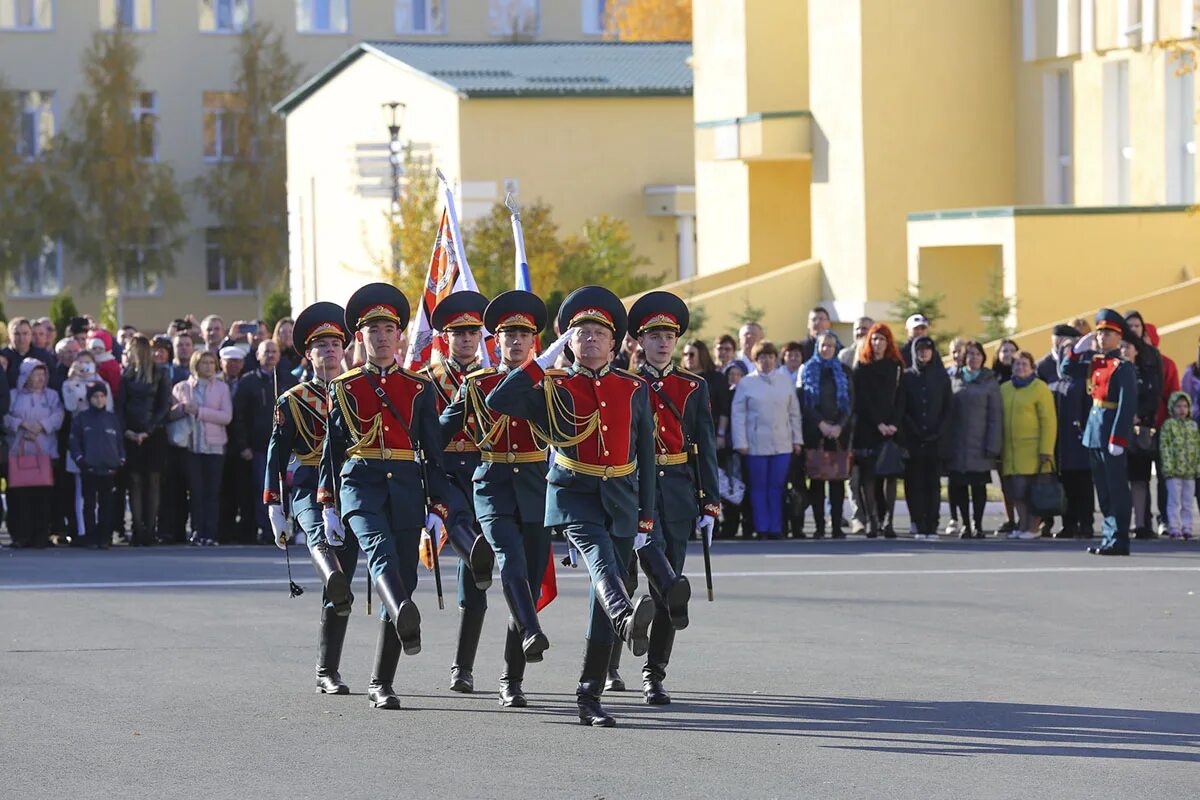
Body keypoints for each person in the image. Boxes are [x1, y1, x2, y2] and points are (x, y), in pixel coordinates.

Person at [486, 285, 658, 728]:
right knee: (602, 563)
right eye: (581, 332)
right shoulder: (551, 384)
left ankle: (589, 696)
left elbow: (647, 456)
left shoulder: (634, 388)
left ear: (615, 342)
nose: (591, 339)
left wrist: (646, 514)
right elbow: (498, 400)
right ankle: (626, 615)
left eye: (600, 332)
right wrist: (539, 363)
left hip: (621, 496)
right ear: (569, 341)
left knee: (604, 595)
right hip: (572, 493)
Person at [319, 283, 459, 710]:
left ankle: (382, 681)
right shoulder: (343, 387)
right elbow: (331, 447)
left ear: (399, 336)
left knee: (404, 573)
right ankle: (401, 610)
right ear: (360, 337)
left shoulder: (419, 388)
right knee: (378, 552)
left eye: (388, 329)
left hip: (404, 483)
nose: (381, 337)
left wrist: (438, 508)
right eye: (372, 330)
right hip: (360, 480)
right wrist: (327, 503)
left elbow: (434, 455)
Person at [440, 290, 554, 708]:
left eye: (524, 335)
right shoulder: (477, 384)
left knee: (525, 576)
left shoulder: (550, 385)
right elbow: (439, 433)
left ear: (534, 342)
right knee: (510, 562)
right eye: (508, 335)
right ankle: (529, 629)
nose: (516, 342)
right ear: (497, 341)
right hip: (490, 484)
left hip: (537, 487)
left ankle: (512, 678)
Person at [627, 291, 718, 706]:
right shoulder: (624, 384)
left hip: (678, 491)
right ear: (639, 341)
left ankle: (654, 674)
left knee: (669, 588)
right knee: (628, 581)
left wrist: (710, 503)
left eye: (669, 335)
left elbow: (705, 446)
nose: (663, 342)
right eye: (655, 335)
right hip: (632, 493)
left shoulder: (692, 386)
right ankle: (611, 659)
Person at [265, 302, 359, 695]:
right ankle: (329, 570)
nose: (330, 351)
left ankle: (327, 669)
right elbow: (275, 451)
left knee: (341, 590)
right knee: (324, 548)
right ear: (308, 353)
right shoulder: (292, 399)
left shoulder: (359, 391)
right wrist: (273, 504)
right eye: (321, 345)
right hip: (306, 485)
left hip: (354, 486)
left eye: (335, 343)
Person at [419, 291, 498, 694]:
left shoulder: (494, 377)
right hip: (444, 470)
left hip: (483, 469)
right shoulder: (428, 380)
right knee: (465, 527)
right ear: (444, 337)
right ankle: (473, 548)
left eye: (473, 332)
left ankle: (462, 668)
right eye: (458, 333)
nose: (466, 340)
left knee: (476, 581)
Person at [1063, 310, 1137, 556]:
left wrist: (1118, 437)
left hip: (1110, 433)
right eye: (1100, 333)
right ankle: (1108, 537)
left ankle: (1119, 539)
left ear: (1118, 337)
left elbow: (1126, 405)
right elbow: (1066, 370)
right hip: (1094, 432)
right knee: (1103, 490)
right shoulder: (1095, 362)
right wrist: (1076, 351)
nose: (1102, 337)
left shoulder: (1122, 367)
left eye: (1108, 333)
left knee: (1116, 488)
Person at [731, 340, 804, 540]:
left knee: (777, 486)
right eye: (762, 357)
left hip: (782, 443)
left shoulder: (784, 381)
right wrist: (741, 443)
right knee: (758, 487)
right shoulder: (746, 383)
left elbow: (794, 413)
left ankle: (776, 527)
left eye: (771, 357)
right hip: (755, 444)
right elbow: (738, 415)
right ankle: (762, 527)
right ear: (755, 360)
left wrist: (797, 440)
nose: (767, 361)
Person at [231, 339, 297, 543]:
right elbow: (238, 417)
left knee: (288, 490)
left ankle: (287, 529)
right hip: (259, 447)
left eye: (274, 351)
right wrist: (243, 445)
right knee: (265, 489)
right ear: (258, 355)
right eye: (266, 352)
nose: (270, 355)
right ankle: (267, 531)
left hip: (288, 448)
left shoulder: (290, 380)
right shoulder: (247, 381)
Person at [169, 350, 232, 547]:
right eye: (204, 363)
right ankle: (197, 531)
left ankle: (210, 533)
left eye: (211, 363)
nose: (208, 366)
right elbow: (170, 415)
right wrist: (182, 408)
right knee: (195, 491)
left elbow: (226, 417)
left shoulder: (222, 388)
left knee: (212, 492)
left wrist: (200, 412)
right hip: (190, 446)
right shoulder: (181, 387)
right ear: (196, 364)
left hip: (214, 447)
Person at [117, 335, 172, 547]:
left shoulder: (159, 373)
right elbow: (120, 406)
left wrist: (145, 431)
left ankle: (148, 529)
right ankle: (140, 529)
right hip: (134, 434)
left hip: (152, 434)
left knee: (150, 483)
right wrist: (128, 431)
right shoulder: (127, 375)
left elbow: (163, 406)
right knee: (137, 483)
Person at [944, 340, 1002, 538]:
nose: (973, 358)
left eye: (977, 354)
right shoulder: (954, 378)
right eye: (970, 354)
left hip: (981, 443)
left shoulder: (989, 380)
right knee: (959, 485)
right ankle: (965, 524)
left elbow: (996, 416)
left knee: (978, 486)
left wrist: (993, 444)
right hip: (957, 443)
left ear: (983, 357)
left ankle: (978, 523)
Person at [852, 323, 906, 538]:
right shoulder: (861, 368)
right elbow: (862, 400)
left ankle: (889, 521)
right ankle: (872, 519)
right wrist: (878, 424)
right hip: (868, 428)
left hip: (893, 428)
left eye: (882, 339)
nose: (878, 343)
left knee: (891, 475)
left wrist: (893, 423)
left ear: (888, 342)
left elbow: (901, 398)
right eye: (874, 339)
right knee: (869, 476)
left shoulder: (897, 366)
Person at [3, 360, 64, 548]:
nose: (40, 378)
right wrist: (21, 424)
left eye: (42, 374)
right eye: (35, 374)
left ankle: (41, 536)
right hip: (18, 454)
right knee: (20, 498)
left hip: (44, 454)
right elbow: (4, 416)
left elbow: (58, 415)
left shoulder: (52, 396)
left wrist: (41, 426)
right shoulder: (12, 395)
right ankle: (21, 536)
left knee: (42, 498)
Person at [799, 331, 853, 538]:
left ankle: (837, 525)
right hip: (816, 433)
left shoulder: (844, 371)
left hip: (838, 434)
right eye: (823, 346)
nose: (826, 349)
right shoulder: (809, 369)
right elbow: (805, 402)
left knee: (837, 482)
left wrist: (839, 425)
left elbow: (850, 403)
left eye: (830, 345)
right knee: (817, 481)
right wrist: (820, 424)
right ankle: (820, 526)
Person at [999, 351, 1057, 539]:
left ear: (1032, 367)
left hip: (1033, 450)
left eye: (1024, 364)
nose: (1020, 367)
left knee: (1032, 491)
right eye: (1017, 364)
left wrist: (1046, 449)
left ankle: (1033, 527)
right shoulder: (1005, 388)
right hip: (1011, 450)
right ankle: (1022, 525)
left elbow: (1048, 420)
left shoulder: (1040, 388)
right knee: (1016, 492)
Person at [902, 336, 952, 539]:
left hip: (935, 440)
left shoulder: (941, 377)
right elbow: (902, 408)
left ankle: (932, 524)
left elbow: (948, 408)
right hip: (914, 439)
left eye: (927, 350)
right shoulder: (907, 377)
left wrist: (938, 431)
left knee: (932, 484)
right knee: (914, 483)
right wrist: (913, 430)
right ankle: (918, 522)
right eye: (920, 350)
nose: (923, 353)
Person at [68, 382, 124, 549]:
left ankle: (105, 536)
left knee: (107, 504)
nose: (99, 400)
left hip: (109, 468)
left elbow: (119, 442)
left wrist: (121, 460)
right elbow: (74, 442)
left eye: (102, 396)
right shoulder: (81, 419)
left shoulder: (112, 418)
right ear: (89, 399)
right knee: (89, 504)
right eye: (95, 396)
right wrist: (80, 459)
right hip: (89, 468)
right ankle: (90, 536)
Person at [1123, 311, 1163, 539]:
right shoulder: (1115, 355)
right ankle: (1121, 522)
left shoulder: (1151, 356)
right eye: (1129, 325)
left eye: (1137, 325)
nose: (1133, 329)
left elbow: (1155, 391)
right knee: (1119, 478)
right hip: (1117, 426)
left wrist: (1139, 415)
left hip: (1141, 427)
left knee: (1140, 477)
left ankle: (1141, 523)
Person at [1052, 336, 1096, 538]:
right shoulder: (1057, 385)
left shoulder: (1084, 382)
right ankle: (1068, 524)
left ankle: (1086, 523)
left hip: (1081, 442)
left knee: (1084, 486)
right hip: (1063, 445)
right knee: (1067, 485)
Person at [839, 316, 873, 531]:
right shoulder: (845, 355)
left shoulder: (878, 356)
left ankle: (873, 516)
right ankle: (857, 516)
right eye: (858, 328)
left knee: (871, 474)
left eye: (866, 329)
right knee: (852, 474)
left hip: (871, 422)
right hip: (849, 422)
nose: (861, 332)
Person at [1159, 391, 1199, 540]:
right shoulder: (1169, 426)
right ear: (1172, 408)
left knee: (1188, 502)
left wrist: (1197, 467)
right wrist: (1168, 467)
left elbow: (1197, 447)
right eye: (1178, 406)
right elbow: (1165, 447)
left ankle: (1187, 527)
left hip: (1189, 472)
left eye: (1184, 406)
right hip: (1174, 472)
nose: (1182, 410)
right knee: (1174, 501)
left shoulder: (1193, 426)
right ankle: (1174, 527)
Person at [992, 337, 1019, 532]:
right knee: (1005, 481)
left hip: (1021, 436)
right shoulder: (992, 379)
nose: (1008, 354)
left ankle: (1028, 518)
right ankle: (1011, 518)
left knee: (1024, 480)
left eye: (1012, 350)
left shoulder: (1025, 376)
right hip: (1001, 435)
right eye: (1004, 351)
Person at [2, 317, 54, 389]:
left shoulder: (43, 356)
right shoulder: (3, 357)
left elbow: (53, 382)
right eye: (17, 334)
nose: (21, 338)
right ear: (9, 336)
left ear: (30, 335)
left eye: (25, 333)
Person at [87, 329, 122, 400]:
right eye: (94, 348)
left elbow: (115, 383)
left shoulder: (111, 363)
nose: (97, 350)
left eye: (100, 348)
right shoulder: (87, 360)